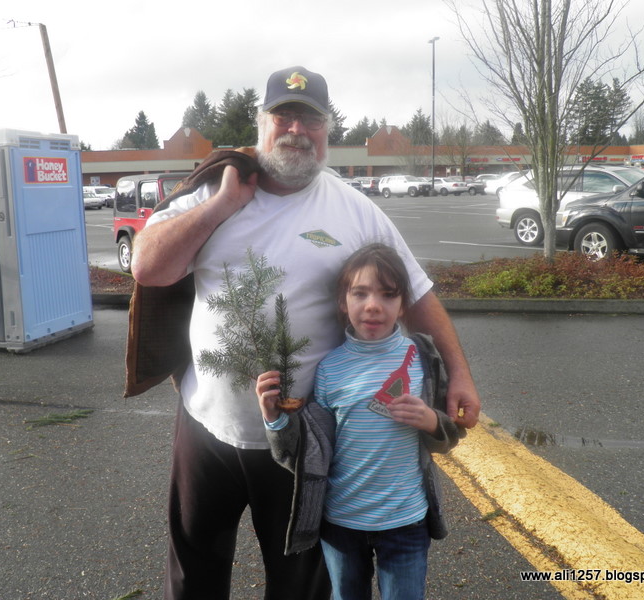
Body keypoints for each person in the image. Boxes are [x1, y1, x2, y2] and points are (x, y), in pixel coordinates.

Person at [131, 65, 481, 600]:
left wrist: (459, 373)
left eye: (311, 120)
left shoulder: (353, 209)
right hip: (207, 425)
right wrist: (223, 205)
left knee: (299, 585)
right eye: (284, 116)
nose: (297, 130)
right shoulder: (213, 192)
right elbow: (147, 268)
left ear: (327, 132)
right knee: (194, 572)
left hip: (303, 438)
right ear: (261, 124)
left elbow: (413, 292)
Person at [256, 243, 465, 600]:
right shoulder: (329, 369)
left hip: (406, 520)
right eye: (360, 293)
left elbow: (449, 438)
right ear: (343, 302)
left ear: (403, 305)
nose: (373, 305)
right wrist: (274, 420)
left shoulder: (422, 359)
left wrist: (432, 421)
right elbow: (309, 455)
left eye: (388, 294)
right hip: (342, 523)